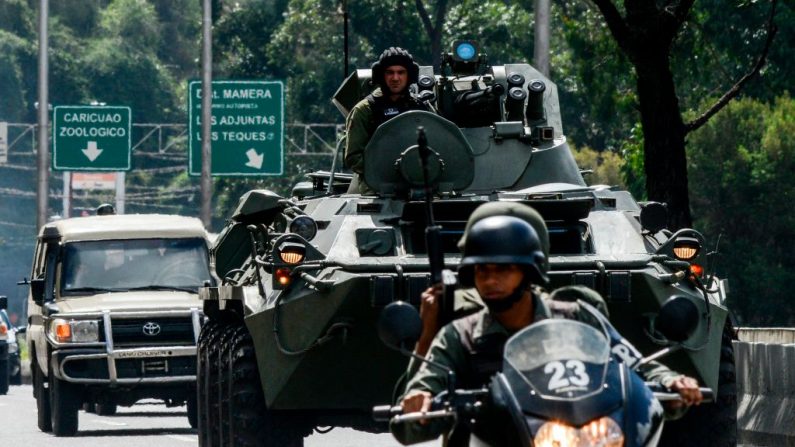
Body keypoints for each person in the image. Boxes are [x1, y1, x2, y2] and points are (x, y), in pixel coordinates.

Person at [394, 204, 704, 445]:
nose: (490, 280)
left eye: (503, 269)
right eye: (481, 271)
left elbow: (633, 364)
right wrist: (419, 402)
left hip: (576, 438)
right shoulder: (459, 336)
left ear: (529, 272)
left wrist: (671, 382)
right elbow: (425, 386)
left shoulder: (576, 317)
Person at [344, 47, 428, 194]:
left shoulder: (420, 107)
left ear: (410, 75)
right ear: (381, 75)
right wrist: (389, 171)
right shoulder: (365, 110)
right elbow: (354, 157)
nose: (395, 78)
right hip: (378, 188)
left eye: (401, 72)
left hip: (418, 184)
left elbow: (438, 144)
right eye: (390, 72)